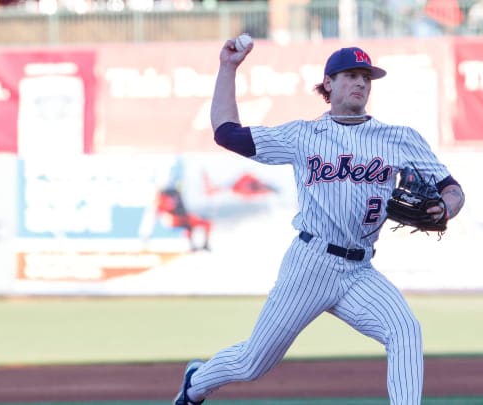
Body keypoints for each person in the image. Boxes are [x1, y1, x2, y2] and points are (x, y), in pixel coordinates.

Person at [172, 39, 466, 405]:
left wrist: (445, 208)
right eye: (350, 75)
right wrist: (228, 68)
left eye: (366, 77)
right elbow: (226, 132)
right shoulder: (303, 136)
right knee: (252, 363)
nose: (360, 83)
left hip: (360, 270)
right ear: (328, 83)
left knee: (405, 330)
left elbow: (451, 190)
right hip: (310, 264)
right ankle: (196, 384)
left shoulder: (400, 139)